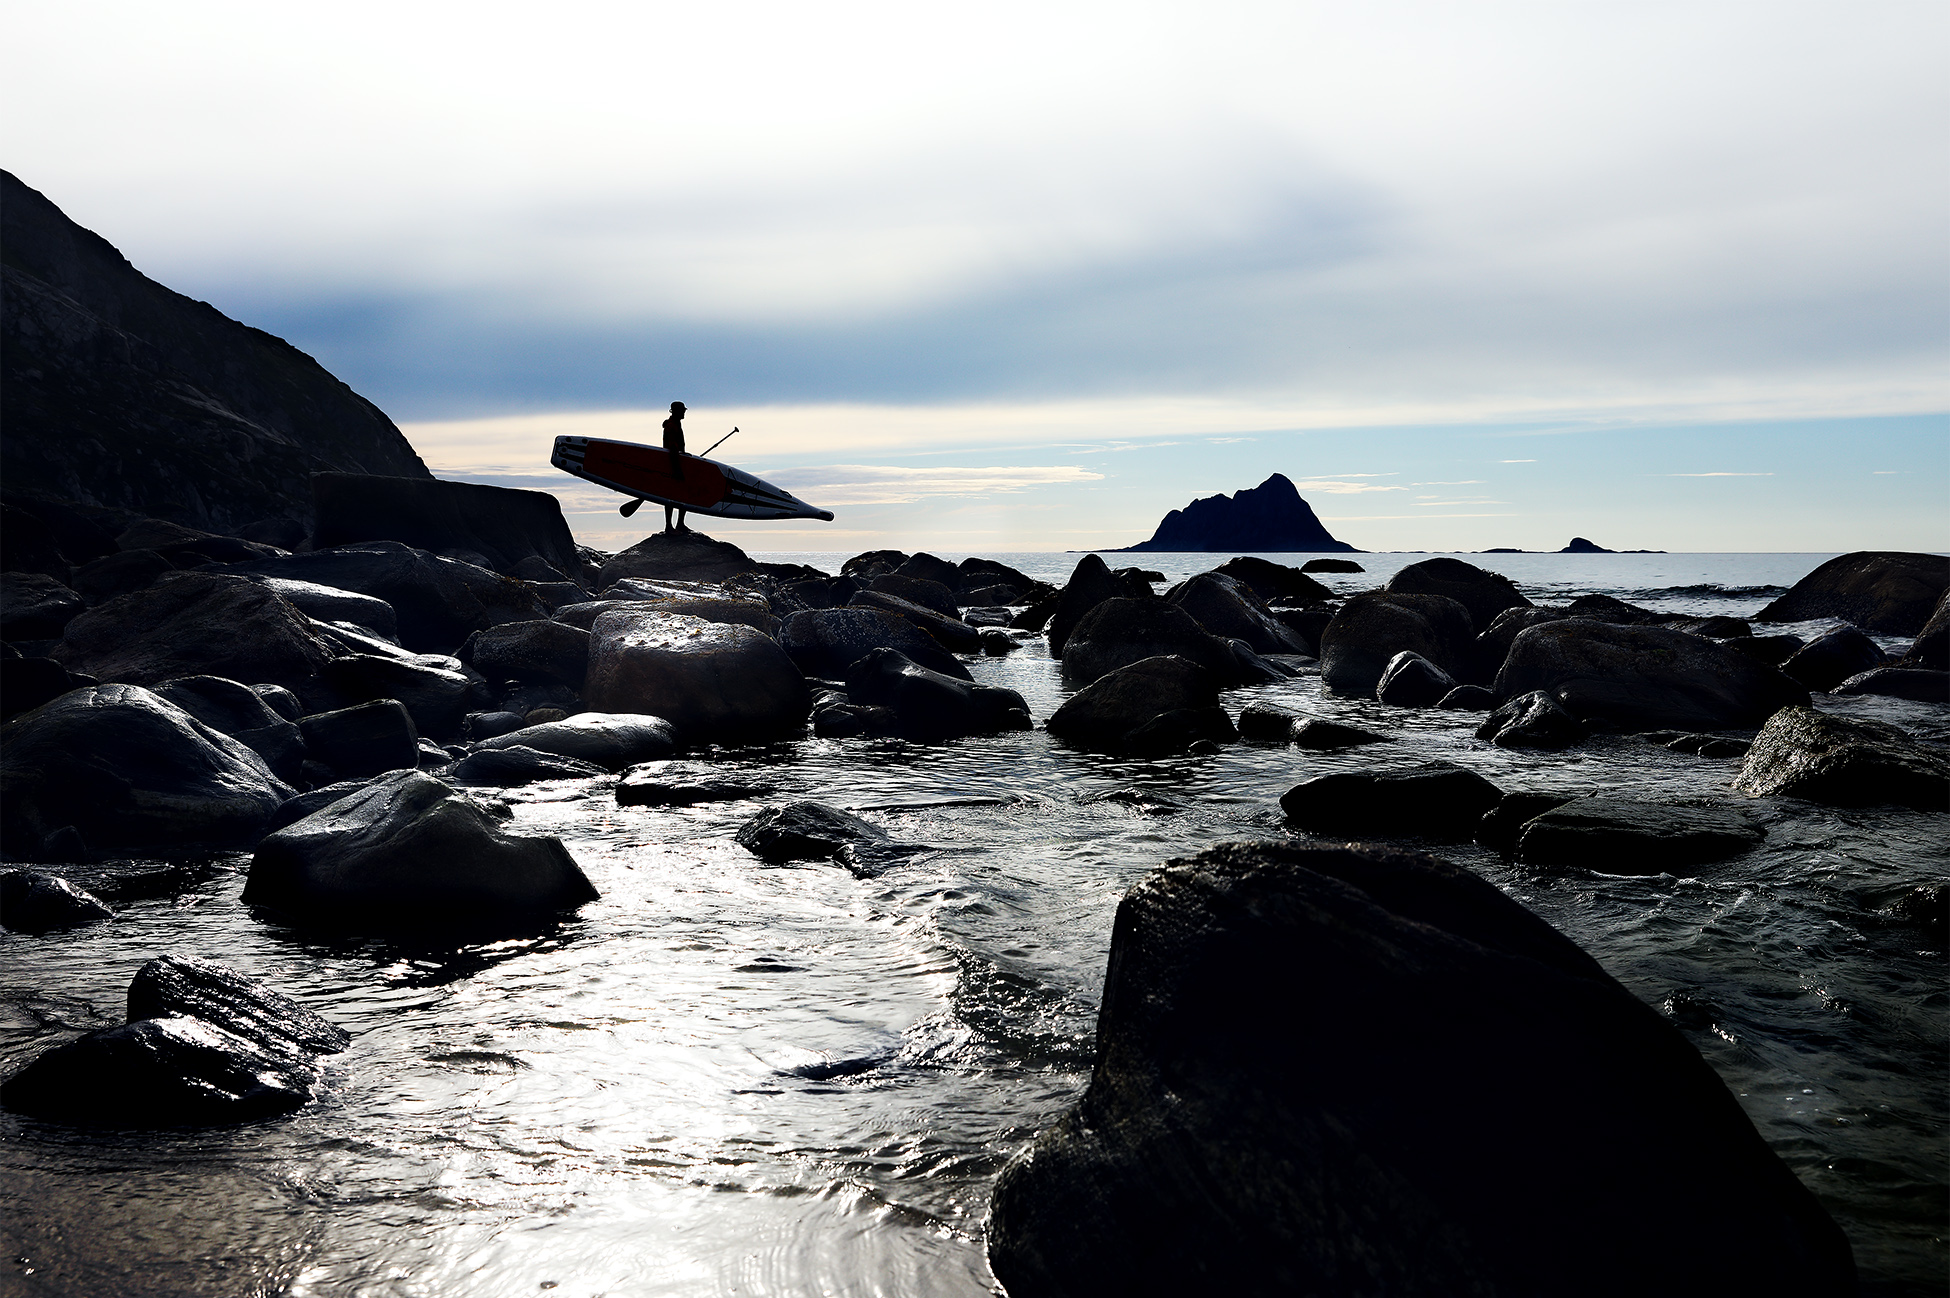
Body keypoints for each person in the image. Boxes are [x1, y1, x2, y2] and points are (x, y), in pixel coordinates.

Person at [661, 401, 689, 533]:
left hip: (678, 462)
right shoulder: (671, 427)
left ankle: (680, 524)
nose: (684, 412)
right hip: (672, 464)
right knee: (670, 496)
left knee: (683, 494)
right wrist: (677, 469)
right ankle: (669, 526)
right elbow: (672, 448)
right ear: (676, 411)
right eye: (682, 410)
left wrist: (684, 455)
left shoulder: (677, 424)